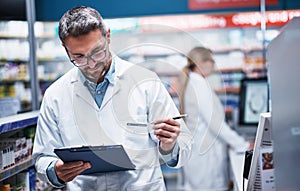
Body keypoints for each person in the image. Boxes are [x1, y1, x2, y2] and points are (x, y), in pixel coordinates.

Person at [32, 6, 192, 191]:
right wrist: (55, 171)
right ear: (65, 49)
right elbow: (42, 158)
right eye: (79, 57)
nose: (91, 64)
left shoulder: (145, 82)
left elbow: (183, 148)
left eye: (97, 52)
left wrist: (169, 145)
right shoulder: (55, 95)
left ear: (107, 36)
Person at [178, 47, 250, 191]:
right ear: (202, 63)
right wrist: (243, 145)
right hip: (205, 158)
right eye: (212, 61)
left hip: (200, 154)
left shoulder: (195, 82)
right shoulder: (199, 85)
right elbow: (215, 124)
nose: (214, 65)